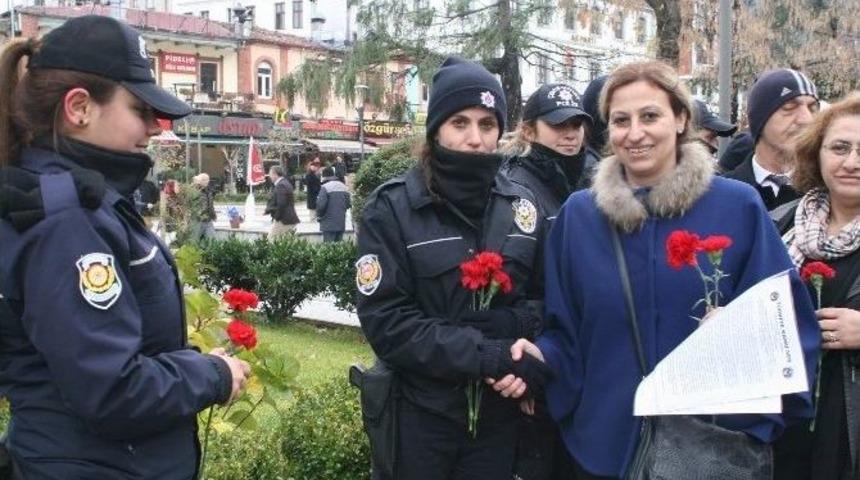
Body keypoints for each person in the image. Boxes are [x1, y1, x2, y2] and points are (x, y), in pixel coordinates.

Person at [498, 61, 820, 479]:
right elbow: (568, 330)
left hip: (708, 447)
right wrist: (542, 357)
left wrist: (740, 335)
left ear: (681, 119)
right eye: (620, 120)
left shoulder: (737, 207)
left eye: (650, 116)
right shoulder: (580, 216)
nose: (635, 133)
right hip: (603, 446)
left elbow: (788, 327)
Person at [0, 16, 251, 479]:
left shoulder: (81, 201)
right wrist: (211, 375)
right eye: (140, 110)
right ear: (79, 108)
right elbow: (112, 391)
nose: (156, 128)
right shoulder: (66, 220)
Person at [356, 56, 551, 480]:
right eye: (460, 123)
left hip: (500, 419)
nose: (475, 139)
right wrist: (487, 354)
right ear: (436, 129)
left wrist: (519, 346)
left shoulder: (523, 206)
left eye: (487, 124)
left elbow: (545, 300)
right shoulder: (391, 210)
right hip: (420, 421)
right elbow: (387, 323)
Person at [500, 82, 596, 479]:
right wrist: (533, 364)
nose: (570, 133)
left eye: (577, 123)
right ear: (529, 130)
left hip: (588, 348)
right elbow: (513, 287)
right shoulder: (515, 187)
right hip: (544, 347)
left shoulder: (597, 177)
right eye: (558, 124)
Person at [773, 93, 860, 480]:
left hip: (849, 430)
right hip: (784, 421)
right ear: (816, 154)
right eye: (840, 148)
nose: (852, 162)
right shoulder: (782, 225)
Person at [724, 68, 820, 210]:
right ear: (759, 120)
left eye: (813, 109)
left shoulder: (828, 193)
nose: (806, 119)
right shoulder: (721, 192)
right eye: (789, 107)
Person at [316, 166, 351, 242]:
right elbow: (348, 204)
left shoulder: (325, 187)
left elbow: (321, 205)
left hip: (328, 224)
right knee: (338, 249)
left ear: (324, 176)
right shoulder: (343, 187)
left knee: (329, 249)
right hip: (341, 222)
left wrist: (319, 216)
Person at [265, 165, 300, 240]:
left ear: (275, 174)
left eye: (270, 174)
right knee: (285, 243)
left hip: (283, 220)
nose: (269, 176)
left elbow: (282, 204)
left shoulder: (281, 185)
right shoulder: (285, 183)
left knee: (270, 241)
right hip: (288, 219)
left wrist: (276, 218)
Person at [191, 172, 216, 240]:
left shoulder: (209, 191)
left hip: (208, 220)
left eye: (208, 179)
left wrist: (213, 215)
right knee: (194, 241)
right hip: (197, 220)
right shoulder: (194, 190)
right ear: (200, 180)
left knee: (213, 240)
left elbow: (210, 205)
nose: (207, 181)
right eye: (205, 180)